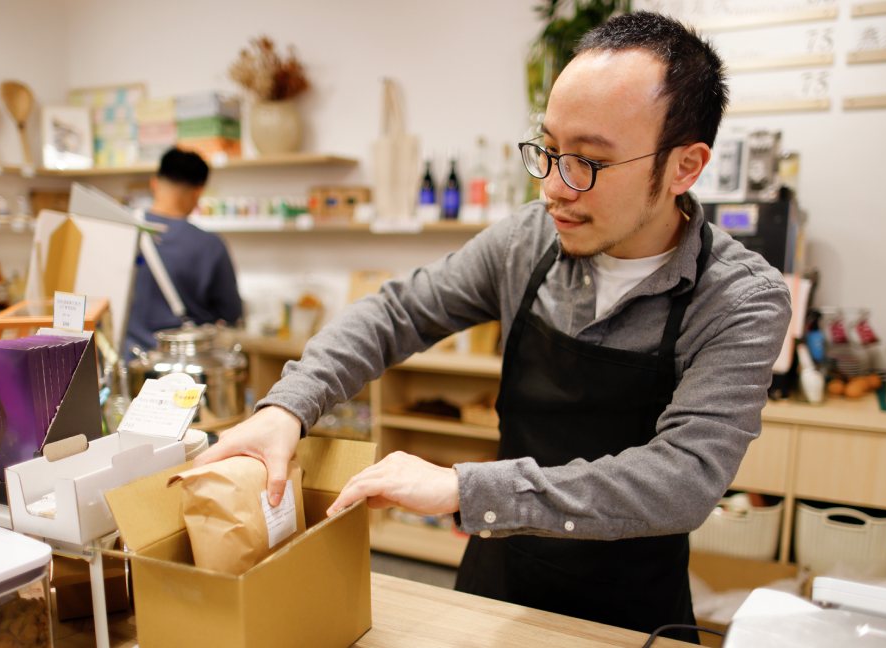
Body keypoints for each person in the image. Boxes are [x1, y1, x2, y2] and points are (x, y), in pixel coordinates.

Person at [196, 12, 790, 642]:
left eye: (587, 162)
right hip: (498, 577)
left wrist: (463, 485)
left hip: (629, 604)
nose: (555, 188)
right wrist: (286, 407)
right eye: (550, 150)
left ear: (683, 167)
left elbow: (683, 478)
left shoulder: (741, 299)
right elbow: (396, 311)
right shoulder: (527, 242)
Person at [122, 147, 243, 359]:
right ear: (198, 191)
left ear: (154, 183)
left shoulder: (121, 231)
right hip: (183, 370)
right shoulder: (210, 245)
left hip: (131, 362)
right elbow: (231, 313)